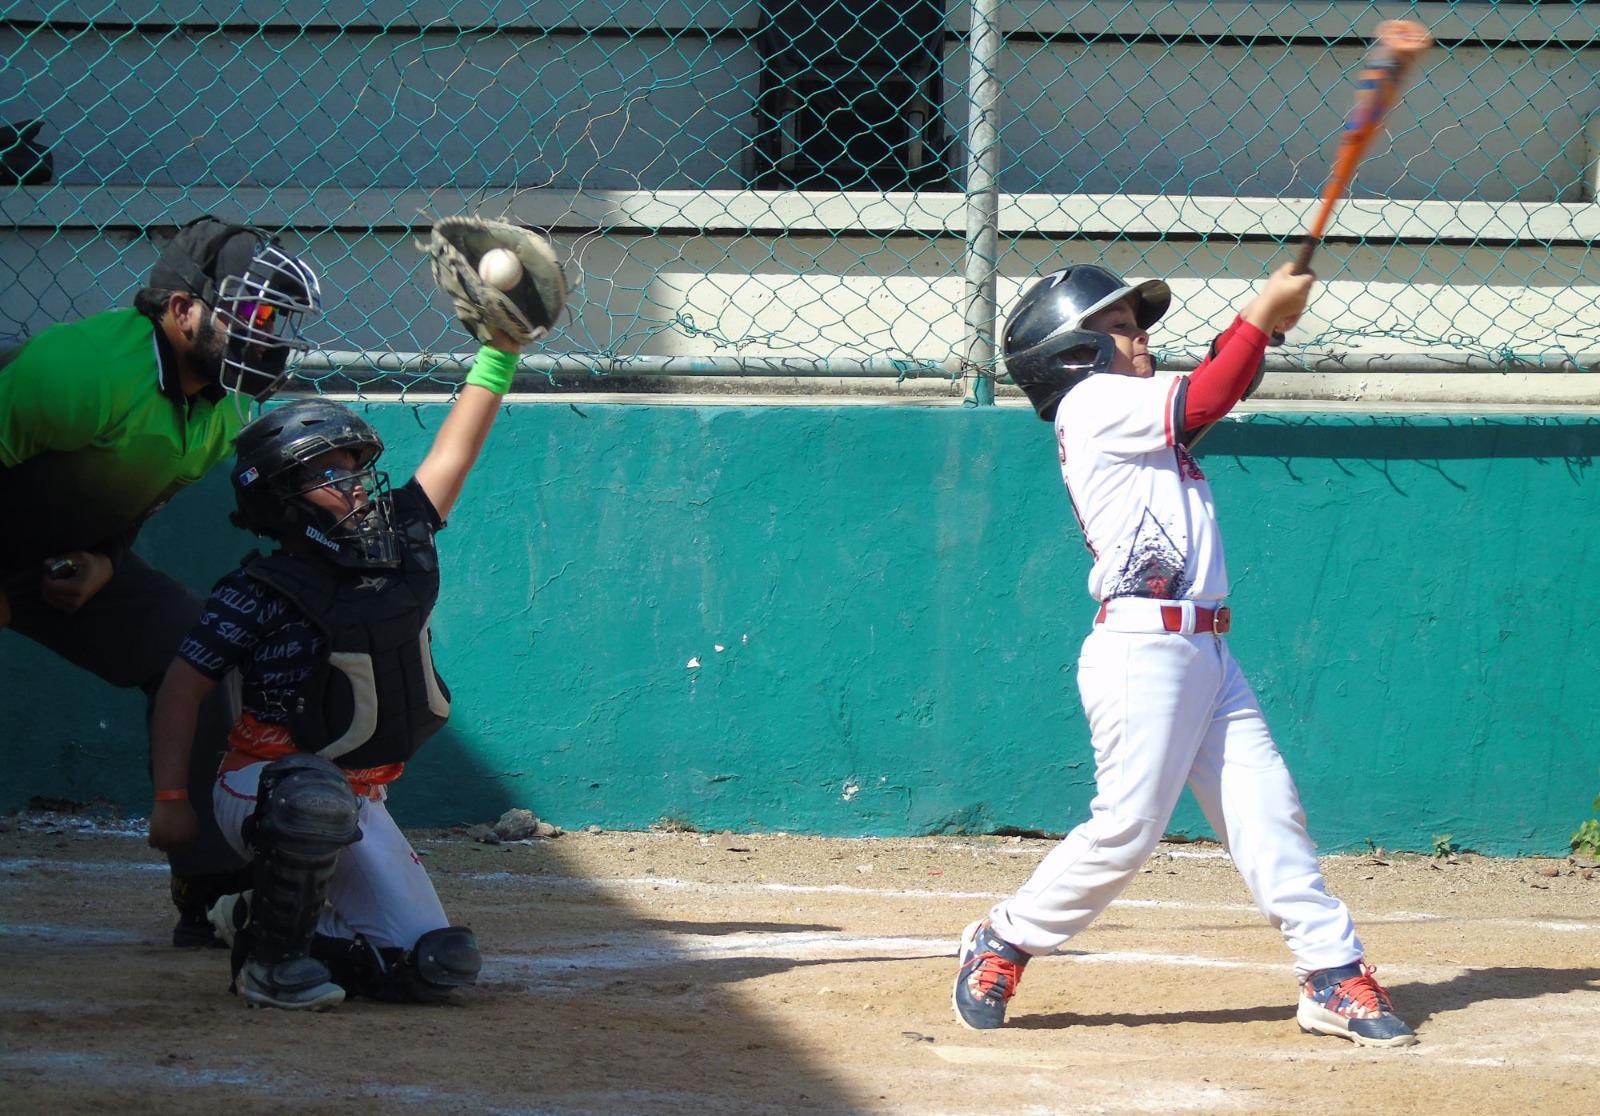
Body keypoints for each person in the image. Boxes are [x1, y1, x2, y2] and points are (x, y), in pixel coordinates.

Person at [951, 261, 1417, 1049]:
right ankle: (1005, 937)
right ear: (1072, 353)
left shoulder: (1130, 415)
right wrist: (1258, 310)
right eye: (1123, 327)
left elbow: (1209, 393)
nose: (1141, 338)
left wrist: (1261, 328)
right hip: (1143, 649)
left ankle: (1331, 974)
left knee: (1270, 814)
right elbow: (1206, 394)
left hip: (1206, 650)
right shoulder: (1093, 403)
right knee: (1128, 829)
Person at [144, 323, 534, 1010]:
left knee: (434, 965)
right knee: (312, 795)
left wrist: (500, 350)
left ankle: (257, 915)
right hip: (261, 785)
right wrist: (173, 801)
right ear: (282, 500)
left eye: (354, 470)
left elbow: (453, 456)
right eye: (330, 474)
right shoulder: (259, 587)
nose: (354, 487)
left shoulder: (395, 550)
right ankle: (268, 964)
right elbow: (182, 688)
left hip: (357, 795)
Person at [0, 215, 322, 944]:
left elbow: (134, 499)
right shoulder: (81, 371)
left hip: (49, 559)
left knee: (190, 640)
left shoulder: (224, 406)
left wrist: (106, 561)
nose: (268, 335)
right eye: (252, 315)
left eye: (277, 319)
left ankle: (210, 883)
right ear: (182, 311)